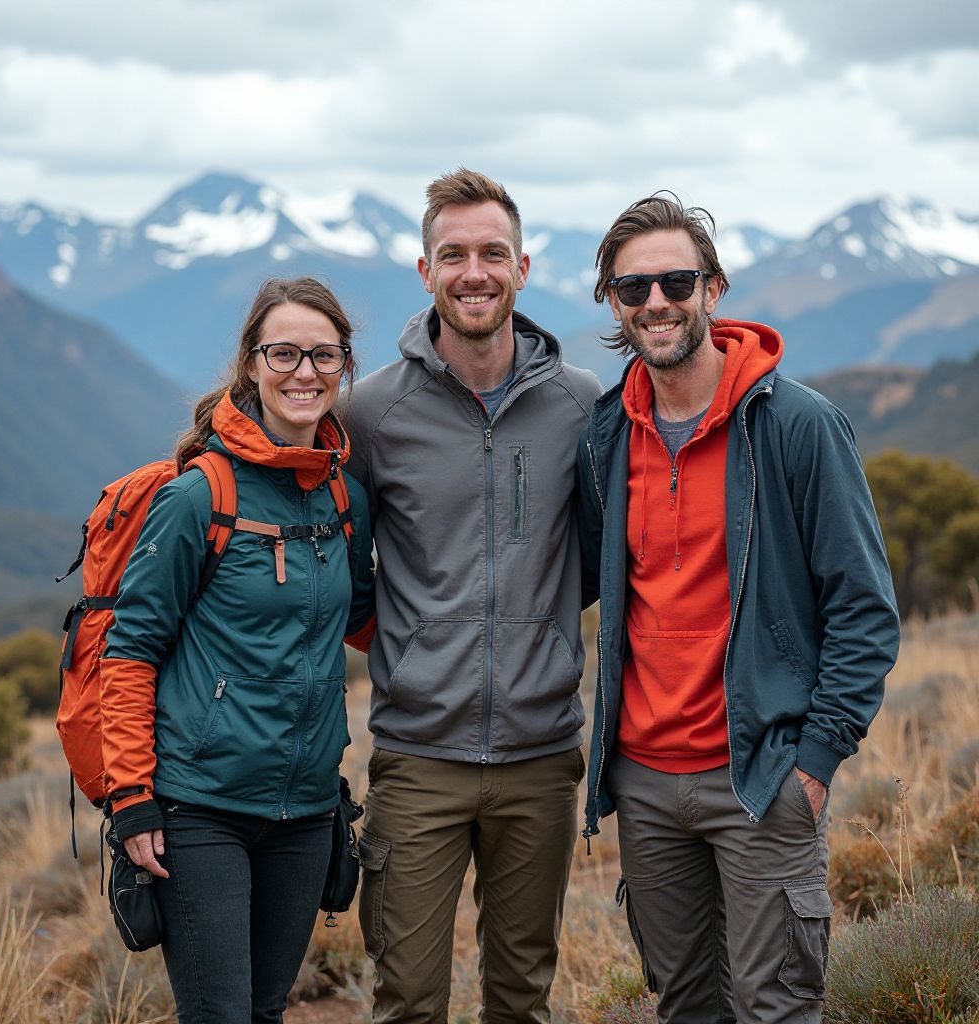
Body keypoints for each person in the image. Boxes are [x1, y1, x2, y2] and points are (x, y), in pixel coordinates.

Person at [577, 193, 900, 1023]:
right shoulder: (608, 434)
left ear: (713, 289)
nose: (656, 302)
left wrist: (815, 763)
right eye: (633, 288)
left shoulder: (797, 425)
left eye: (676, 282)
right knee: (685, 1005)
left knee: (775, 1005)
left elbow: (864, 609)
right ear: (614, 304)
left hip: (762, 775)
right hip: (645, 785)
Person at [344, 168, 602, 1024]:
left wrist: (542, 632)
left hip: (541, 755)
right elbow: (344, 566)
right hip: (417, 757)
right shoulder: (371, 414)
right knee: (408, 1001)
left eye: (493, 253)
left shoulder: (580, 405)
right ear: (426, 272)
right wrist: (412, 646)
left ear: (522, 267)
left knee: (522, 998)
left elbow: (593, 555)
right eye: (453, 255)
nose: (474, 272)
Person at [100, 277, 375, 1024]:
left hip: (307, 809)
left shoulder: (344, 497)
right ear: (252, 363)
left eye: (323, 355)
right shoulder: (199, 497)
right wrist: (132, 798)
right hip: (199, 809)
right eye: (284, 353)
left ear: (344, 365)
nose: (304, 372)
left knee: (264, 1011)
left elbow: (363, 619)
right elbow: (129, 650)